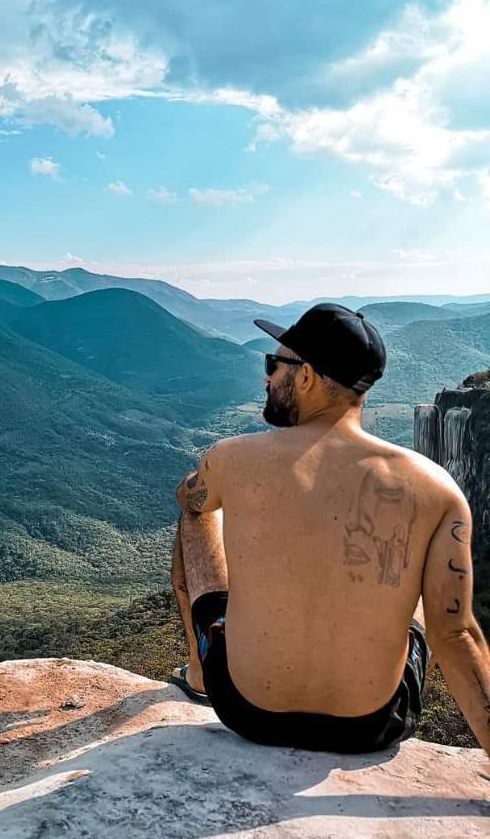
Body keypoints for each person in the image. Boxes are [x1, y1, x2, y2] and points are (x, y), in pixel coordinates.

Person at [169, 302, 490, 754]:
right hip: (373, 725)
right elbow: (455, 636)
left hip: (246, 709)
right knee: (423, 598)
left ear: (306, 376)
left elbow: (190, 500)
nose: (266, 378)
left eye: (273, 364)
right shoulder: (437, 489)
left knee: (198, 518)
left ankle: (200, 673)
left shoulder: (229, 458)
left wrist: (205, 489)